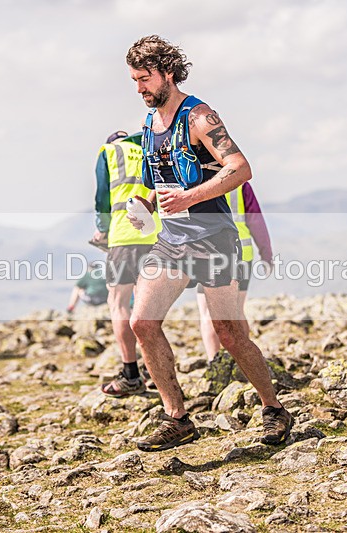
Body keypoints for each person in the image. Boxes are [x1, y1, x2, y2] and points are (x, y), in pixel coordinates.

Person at [125, 35, 293, 452]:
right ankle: (177, 418)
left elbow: (241, 168)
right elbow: (154, 180)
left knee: (230, 334)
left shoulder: (199, 117)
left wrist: (190, 197)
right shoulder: (149, 124)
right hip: (171, 242)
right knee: (142, 323)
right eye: (134, 81)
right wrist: (143, 205)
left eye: (145, 79)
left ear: (167, 72)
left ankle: (274, 408)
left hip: (214, 239)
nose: (140, 88)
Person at [93, 130, 161, 397]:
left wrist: (102, 230)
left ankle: (131, 374)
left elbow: (102, 199)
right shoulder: (147, 149)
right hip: (154, 235)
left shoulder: (109, 152)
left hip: (124, 236)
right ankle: (155, 372)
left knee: (118, 302)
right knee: (146, 307)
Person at [197, 182, 273, 359]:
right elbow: (255, 220)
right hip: (241, 254)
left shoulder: (195, 177)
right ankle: (245, 361)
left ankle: (214, 362)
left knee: (208, 313)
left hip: (208, 254)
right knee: (237, 310)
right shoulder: (240, 183)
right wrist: (266, 253)